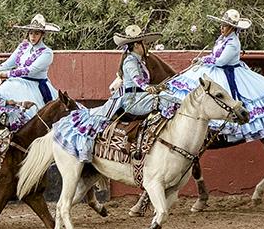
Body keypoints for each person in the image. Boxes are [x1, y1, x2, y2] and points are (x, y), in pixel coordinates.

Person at [165, 9, 264, 143]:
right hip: (217, 69)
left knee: (227, 97)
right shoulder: (222, 39)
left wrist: (204, 60)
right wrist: (203, 59)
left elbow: (221, 61)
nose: (222, 28)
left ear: (232, 28)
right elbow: (215, 56)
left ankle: (230, 129)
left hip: (227, 72)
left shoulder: (233, 43)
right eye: (222, 25)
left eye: (225, 26)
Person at [52, 24, 181, 162]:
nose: (146, 46)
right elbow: (137, 79)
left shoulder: (140, 62)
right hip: (132, 100)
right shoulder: (130, 61)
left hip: (141, 96)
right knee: (168, 101)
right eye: (144, 43)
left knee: (168, 98)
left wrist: (156, 88)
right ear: (137, 45)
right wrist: (148, 87)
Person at [0, 14, 61, 116]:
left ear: (42, 34)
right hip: (16, 82)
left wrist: (6, 74)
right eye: (31, 33)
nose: (33, 36)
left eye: (36, 33)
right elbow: (10, 62)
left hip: (35, 86)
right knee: (1, 96)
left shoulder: (47, 53)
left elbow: (30, 70)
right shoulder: (23, 46)